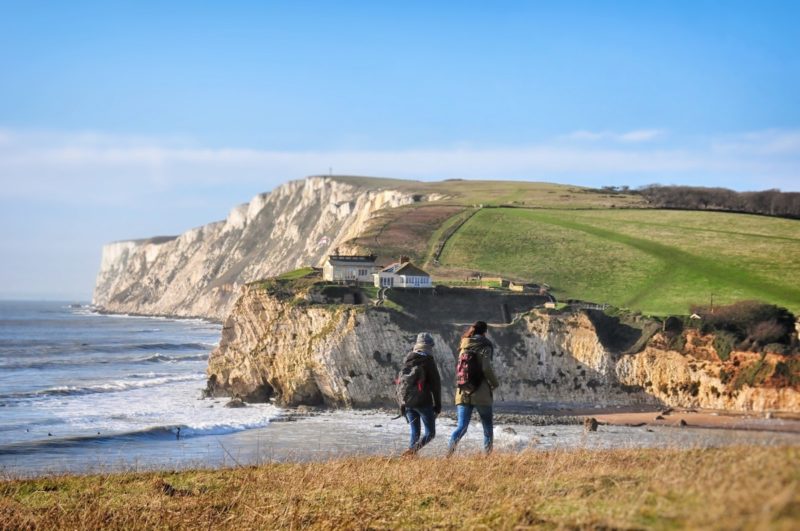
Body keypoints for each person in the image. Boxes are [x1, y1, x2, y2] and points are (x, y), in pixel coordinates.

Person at [448, 320, 499, 455]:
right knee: (487, 427)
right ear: (485, 332)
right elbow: (486, 367)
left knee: (461, 427)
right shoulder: (485, 346)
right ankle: (487, 457)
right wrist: (494, 383)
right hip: (481, 392)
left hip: (463, 391)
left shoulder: (464, 345)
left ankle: (448, 454)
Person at [401, 332, 442, 456]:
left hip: (408, 402)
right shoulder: (429, 361)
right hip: (423, 402)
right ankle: (411, 452)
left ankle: (410, 457)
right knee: (430, 434)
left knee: (415, 432)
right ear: (430, 346)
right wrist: (438, 405)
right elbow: (436, 385)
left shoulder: (407, 359)